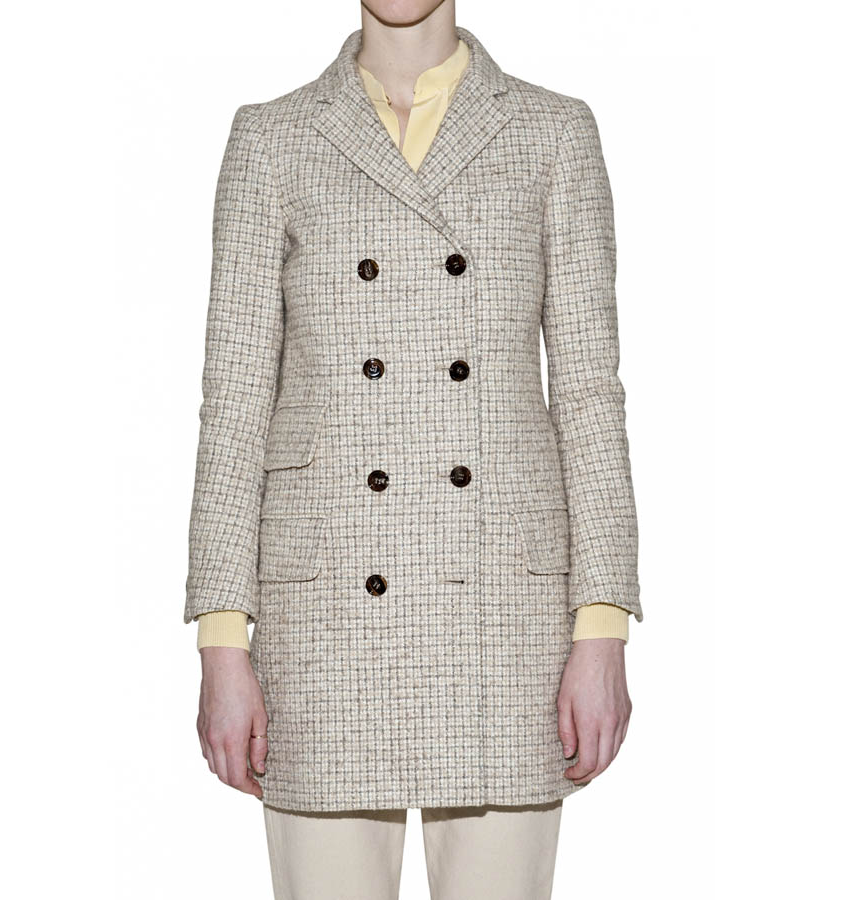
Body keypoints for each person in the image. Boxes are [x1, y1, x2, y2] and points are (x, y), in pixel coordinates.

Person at [184, 2, 643, 897]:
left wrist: (601, 625)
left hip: (505, 621)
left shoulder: (553, 132)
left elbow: (590, 393)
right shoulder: (271, 139)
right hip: (323, 623)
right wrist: (221, 639)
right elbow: (234, 401)